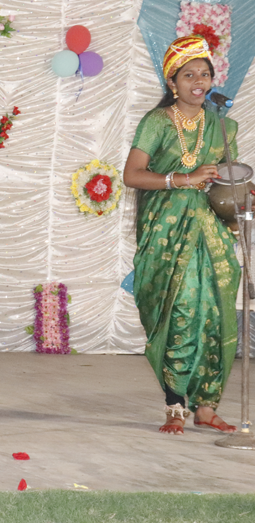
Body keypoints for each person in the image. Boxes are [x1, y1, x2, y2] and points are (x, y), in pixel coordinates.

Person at [123, 35, 239, 435]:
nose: (198, 81)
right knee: (182, 311)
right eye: (189, 75)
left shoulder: (223, 125)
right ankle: (176, 405)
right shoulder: (156, 122)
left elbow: (229, 180)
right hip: (167, 232)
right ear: (172, 82)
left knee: (216, 315)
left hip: (211, 233)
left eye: (204, 74)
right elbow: (132, 174)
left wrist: (241, 200)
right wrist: (183, 179)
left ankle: (206, 407)